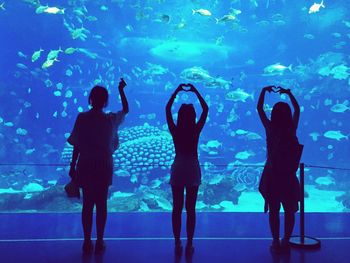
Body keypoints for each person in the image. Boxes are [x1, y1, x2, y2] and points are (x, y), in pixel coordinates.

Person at [68, 78, 129, 254]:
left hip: (85, 163)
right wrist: (122, 90)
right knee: (101, 204)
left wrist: (73, 165)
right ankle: (100, 240)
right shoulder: (110, 119)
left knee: (87, 204)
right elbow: (126, 109)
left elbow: (77, 144)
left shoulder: (82, 118)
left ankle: (87, 241)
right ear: (105, 102)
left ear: (90, 100)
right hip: (103, 164)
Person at [257, 85, 301, 254]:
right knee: (290, 210)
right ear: (288, 115)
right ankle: (286, 240)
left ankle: (275, 240)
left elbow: (259, 109)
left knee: (274, 210)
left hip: (272, 174)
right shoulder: (291, 128)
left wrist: (263, 91)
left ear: (273, 114)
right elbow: (297, 109)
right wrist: (289, 93)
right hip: (288, 175)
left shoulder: (270, 128)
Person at [166, 83, 209, 256]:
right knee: (190, 208)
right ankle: (189, 243)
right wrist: (195, 91)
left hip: (178, 166)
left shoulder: (175, 130)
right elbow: (205, 109)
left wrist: (176, 91)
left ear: (180, 117)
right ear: (193, 117)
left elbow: (167, 109)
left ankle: (177, 243)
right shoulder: (195, 130)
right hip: (192, 166)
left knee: (177, 207)